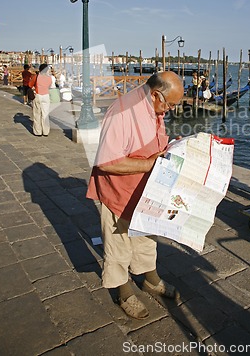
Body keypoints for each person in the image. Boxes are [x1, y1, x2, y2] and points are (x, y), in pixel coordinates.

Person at [86, 71, 184, 319]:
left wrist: (174, 147)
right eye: (170, 104)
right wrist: (149, 165)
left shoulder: (152, 106)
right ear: (155, 95)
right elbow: (106, 162)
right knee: (118, 245)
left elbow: (150, 145)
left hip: (144, 191)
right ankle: (124, 290)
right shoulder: (122, 113)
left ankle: (150, 279)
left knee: (146, 238)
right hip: (118, 192)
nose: (170, 110)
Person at [29, 63, 52, 136]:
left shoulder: (36, 76)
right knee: (45, 114)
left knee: (37, 114)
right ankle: (45, 132)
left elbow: (30, 85)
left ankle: (38, 132)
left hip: (38, 95)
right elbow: (49, 85)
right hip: (46, 96)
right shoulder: (49, 78)